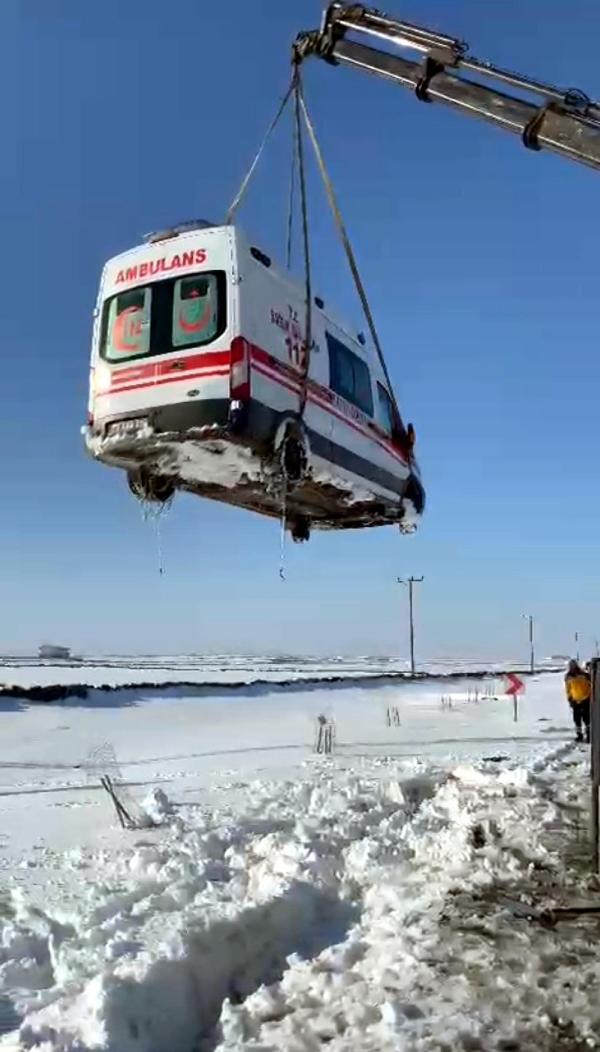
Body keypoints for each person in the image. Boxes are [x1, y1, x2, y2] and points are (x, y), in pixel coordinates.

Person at [564, 659, 591, 743]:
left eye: (573, 665)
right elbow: (568, 688)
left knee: (586, 719)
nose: (572, 667)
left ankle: (589, 735)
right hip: (575, 700)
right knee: (577, 719)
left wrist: (590, 697)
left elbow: (591, 685)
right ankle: (579, 735)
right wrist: (569, 699)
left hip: (586, 699)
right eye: (570, 666)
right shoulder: (568, 676)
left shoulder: (584, 675)